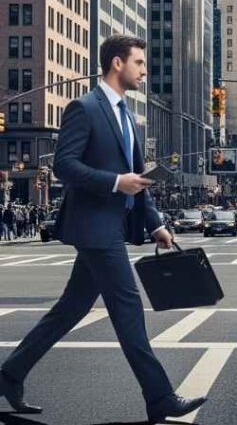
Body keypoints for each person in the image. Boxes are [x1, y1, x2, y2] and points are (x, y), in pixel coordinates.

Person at [0, 35, 206, 422]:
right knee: (129, 310)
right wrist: (115, 182)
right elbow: (65, 165)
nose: (144, 71)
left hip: (112, 225)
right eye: (139, 62)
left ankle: (9, 375)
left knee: (70, 308)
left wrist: (156, 223)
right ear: (116, 63)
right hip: (95, 228)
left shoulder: (127, 115)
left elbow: (139, 178)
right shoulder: (85, 108)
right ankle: (160, 397)